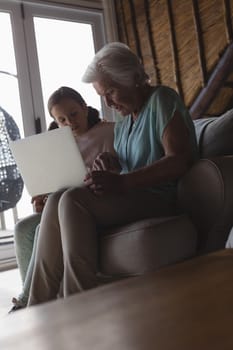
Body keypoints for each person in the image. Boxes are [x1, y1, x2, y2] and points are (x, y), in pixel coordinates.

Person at [27, 42, 199, 306]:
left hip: (160, 197)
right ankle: (37, 306)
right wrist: (112, 165)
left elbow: (179, 160)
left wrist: (123, 181)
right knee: (58, 198)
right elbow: (130, 163)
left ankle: (78, 305)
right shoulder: (125, 119)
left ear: (133, 78)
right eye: (101, 94)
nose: (106, 102)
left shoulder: (162, 100)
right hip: (132, 195)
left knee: (74, 199)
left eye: (111, 91)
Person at [10, 86, 116, 311]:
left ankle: (27, 303)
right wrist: (43, 201)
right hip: (59, 204)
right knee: (23, 229)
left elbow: (117, 171)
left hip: (87, 204)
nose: (69, 122)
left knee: (39, 231)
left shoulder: (109, 131)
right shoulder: (58, 145)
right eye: (61, 119)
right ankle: (28, 295)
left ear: (85, 109)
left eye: (74, 114)